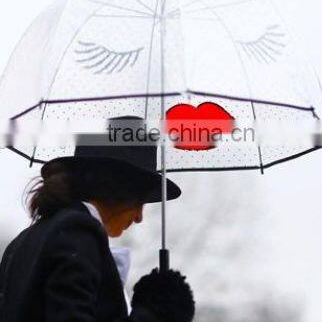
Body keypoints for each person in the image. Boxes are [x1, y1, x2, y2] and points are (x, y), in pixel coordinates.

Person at [0, 117, 195, 322]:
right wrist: (153, 315)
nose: (139, 217)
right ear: (116, 187)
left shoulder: (26, 239)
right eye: (140, 201)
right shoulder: (78, 234)